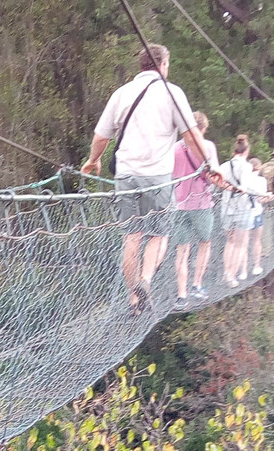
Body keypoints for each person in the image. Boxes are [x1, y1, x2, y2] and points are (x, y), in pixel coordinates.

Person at [81, 44, 216, 313]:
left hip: (126, 176)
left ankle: (133, 300)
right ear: (163, 65)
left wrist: (93, 160)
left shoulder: (121, 94)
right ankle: (145, 280)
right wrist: (210, 164)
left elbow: (101, 137)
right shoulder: (172, 92)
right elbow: (190, 135)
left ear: (141, 66)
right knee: (157, 235)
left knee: (131, 238)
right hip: (157, 179)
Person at [172, 111, 219, 308]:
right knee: (204, 244)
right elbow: (213, 176)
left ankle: (181, 296)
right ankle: (197, 285)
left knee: (182, 250)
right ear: (203, 129)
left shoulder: (174, 148)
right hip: (202, 204)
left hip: (179, 205)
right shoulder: (207, 147)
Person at [219, 134, 266, 288]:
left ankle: (226, 272)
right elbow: (246, 187)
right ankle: (232, 277)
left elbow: (218, 183)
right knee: (241, 244)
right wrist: (263, 194)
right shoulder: (247, 166)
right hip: (242, 209)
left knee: (230, 242)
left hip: (226, 207)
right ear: (247, 151)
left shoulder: (224, 166)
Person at [246, 157, 268, 278]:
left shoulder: (244, 179)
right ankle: (256, 266)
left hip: (242, 213)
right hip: (256, 213)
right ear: (259, 168)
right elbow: (261, 198)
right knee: (256, 240)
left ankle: (242, 270)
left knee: (242, 243)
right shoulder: (261, 180)